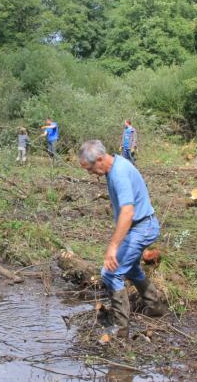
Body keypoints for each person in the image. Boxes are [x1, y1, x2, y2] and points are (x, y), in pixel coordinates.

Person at [78, 140, 169, 338]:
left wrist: (113, 246)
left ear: (100, 159)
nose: (90, 173)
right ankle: (157, 306)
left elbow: (128, 212)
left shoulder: (119, 173)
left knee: (111, 272)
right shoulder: (114, 168)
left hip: (142, 228)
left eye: (91, 168)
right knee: (132, 268)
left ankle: (120, 328)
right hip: (138, 227)